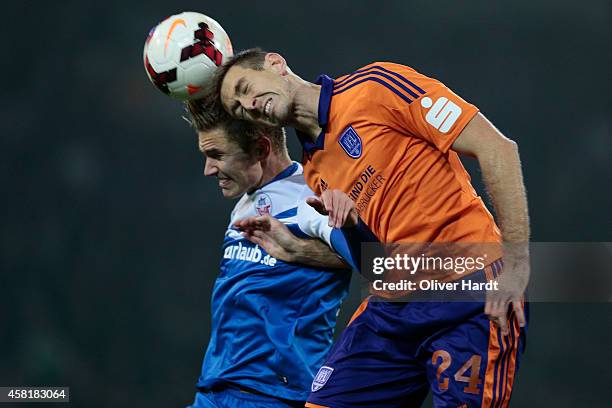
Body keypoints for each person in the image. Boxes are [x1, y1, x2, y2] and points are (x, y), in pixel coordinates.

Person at [204, 48, 530, 407]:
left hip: (467, 288)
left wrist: (515, 263)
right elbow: (377, 267)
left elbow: (497, 147)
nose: (248, 104)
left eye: (246, 87)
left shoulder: (376, 87)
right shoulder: (314, 170)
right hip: (395, 304)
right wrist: (342, 231)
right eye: (238, 108)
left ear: (276, 64)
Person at [184, 97, 356, 408]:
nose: (208, 169)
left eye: (216, 155)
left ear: (262, 149)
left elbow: (381, 265)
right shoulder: (245, 201)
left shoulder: (309, 197)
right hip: (214, 390)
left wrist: (301, 250)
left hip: (271, 395)